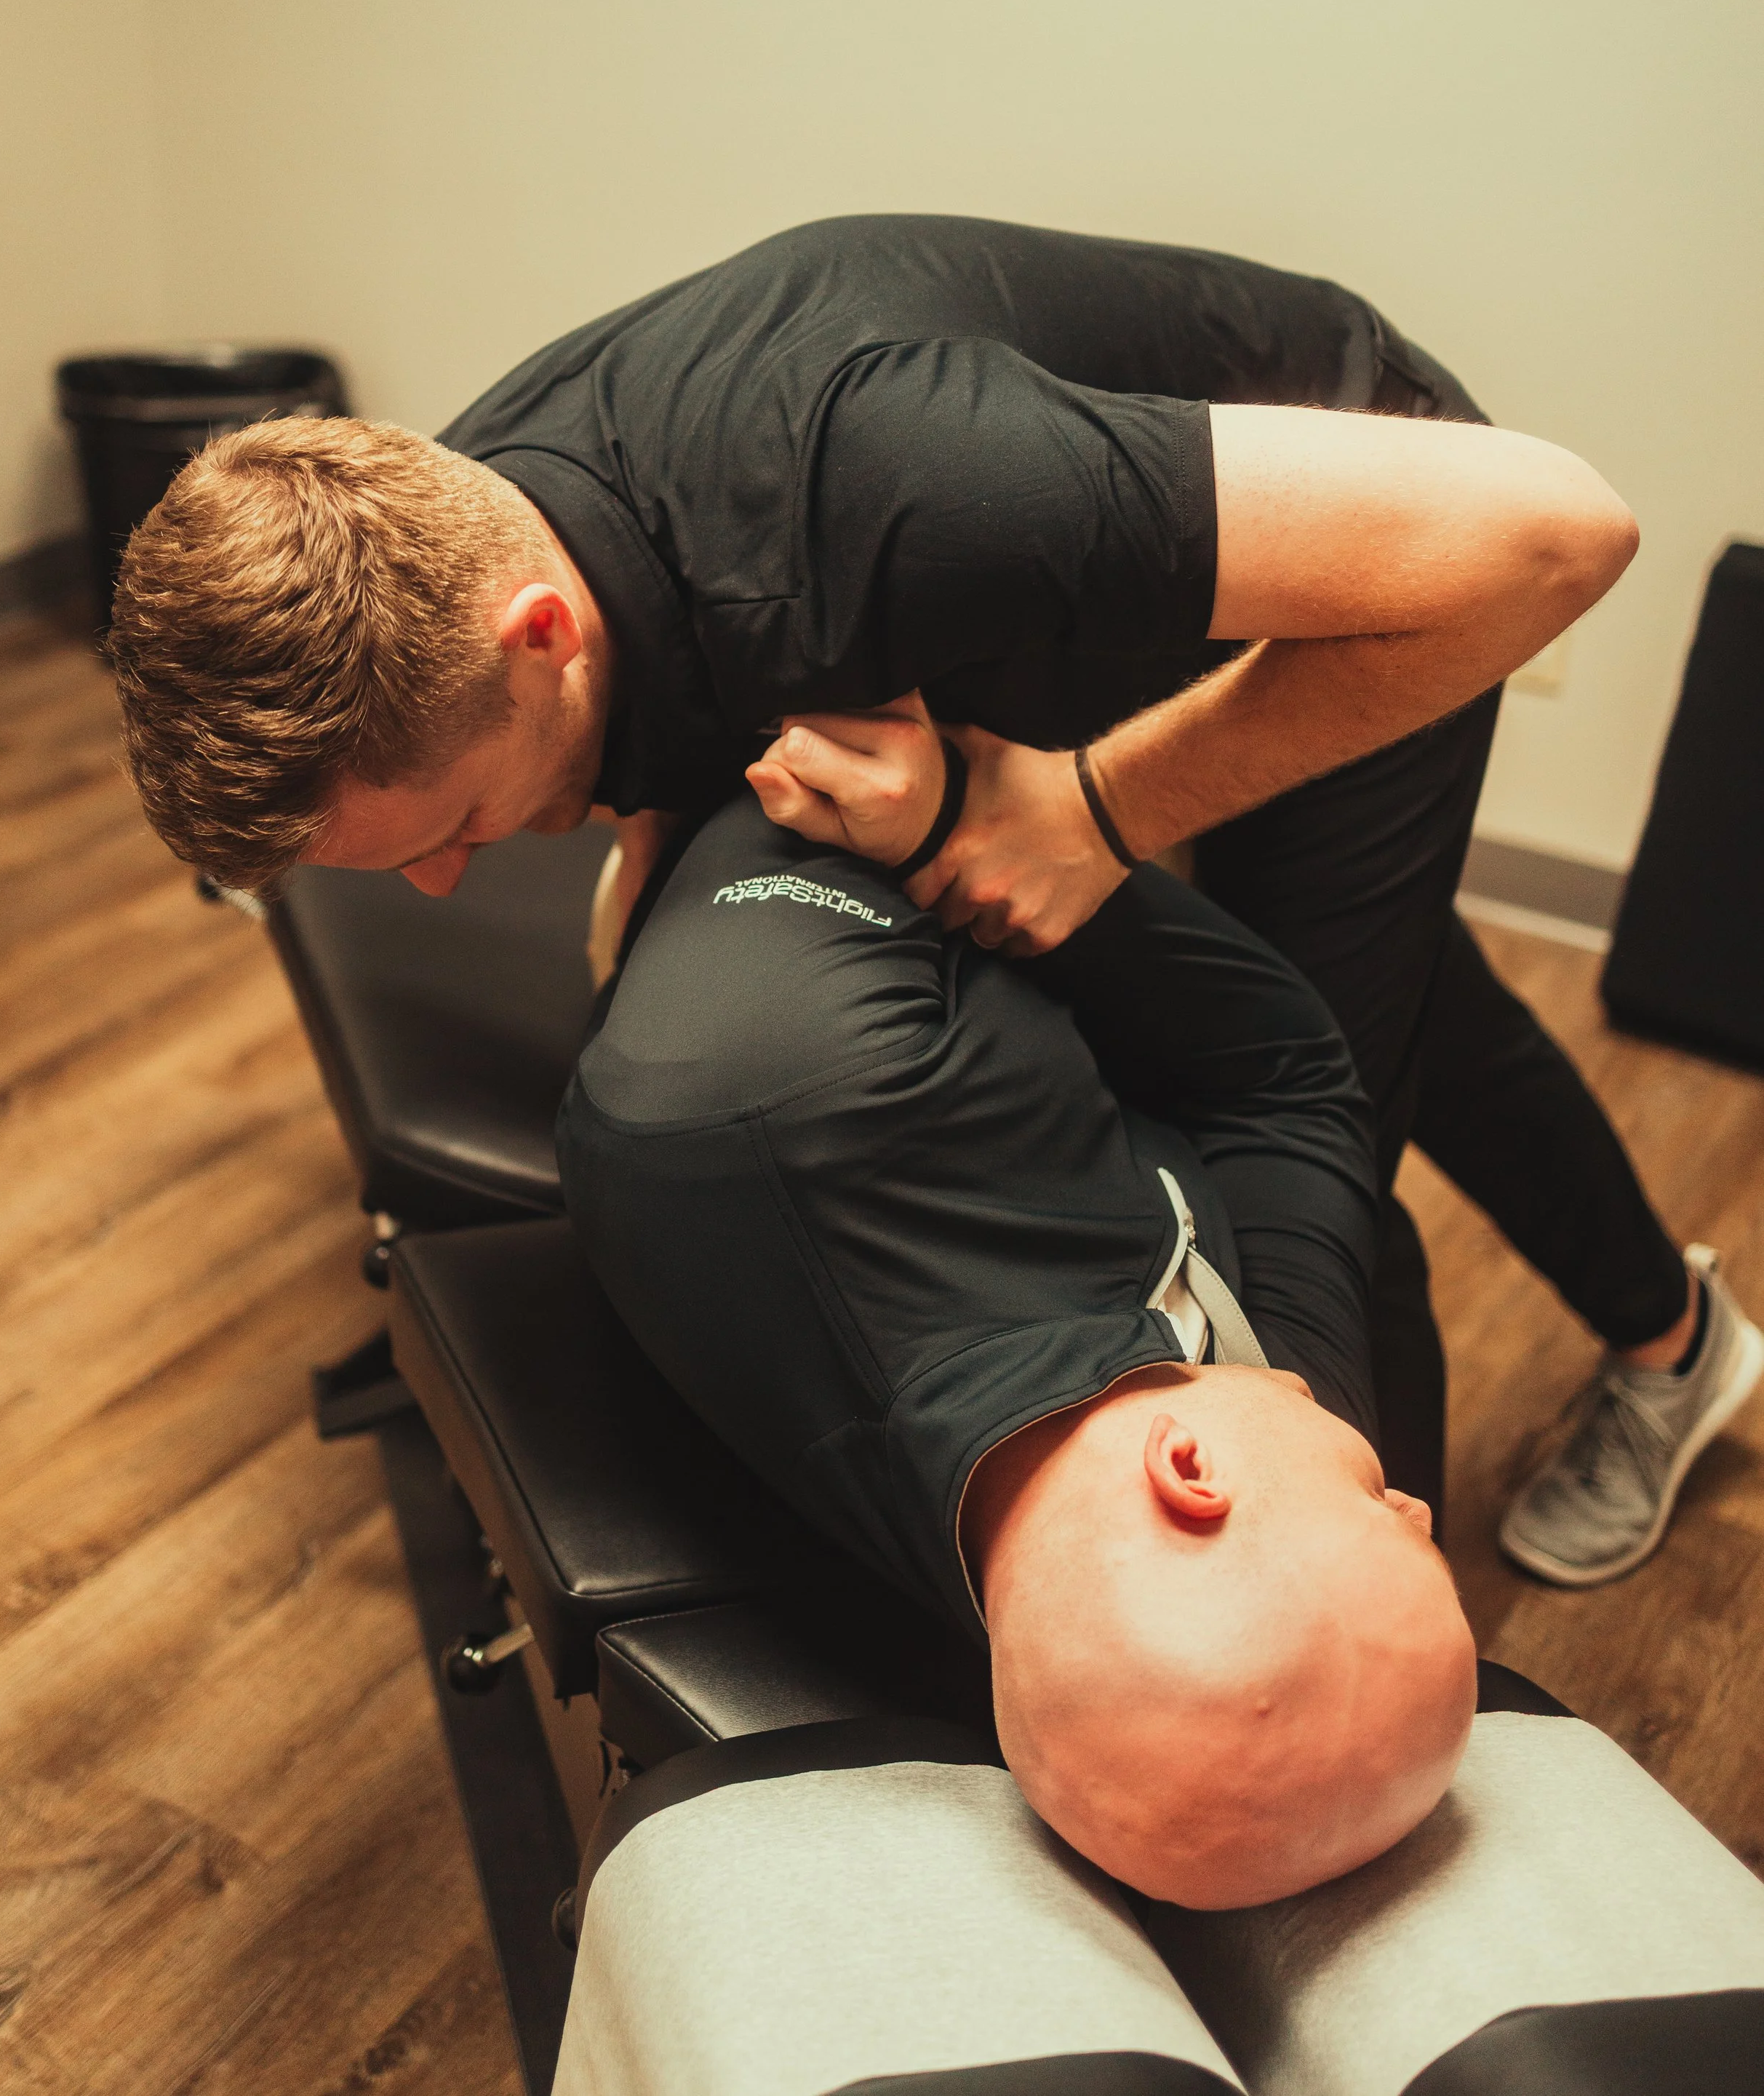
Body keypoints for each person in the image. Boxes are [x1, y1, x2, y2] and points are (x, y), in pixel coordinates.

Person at [105, 215, 1755, 1579]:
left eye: (448, 824)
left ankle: (1343, 1613)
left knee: (1315, 1092)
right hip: (1048, 599)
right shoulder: (436, 529)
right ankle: (1682, 1337)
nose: (448, 878)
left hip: (1372, 546)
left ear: (538, 637)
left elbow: (1554, 534)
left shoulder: (884, 479)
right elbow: (696, 655)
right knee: (1404, 984)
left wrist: (1101, 806)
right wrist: (643, 828)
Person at [554, 787, 1477, 1908]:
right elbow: (1293, 1087)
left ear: (1188, 1473)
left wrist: (956, 814)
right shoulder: (1274, 1409)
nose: (1416, 1504)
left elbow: (817, 783)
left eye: (1388, 1518)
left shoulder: (753, 1086)